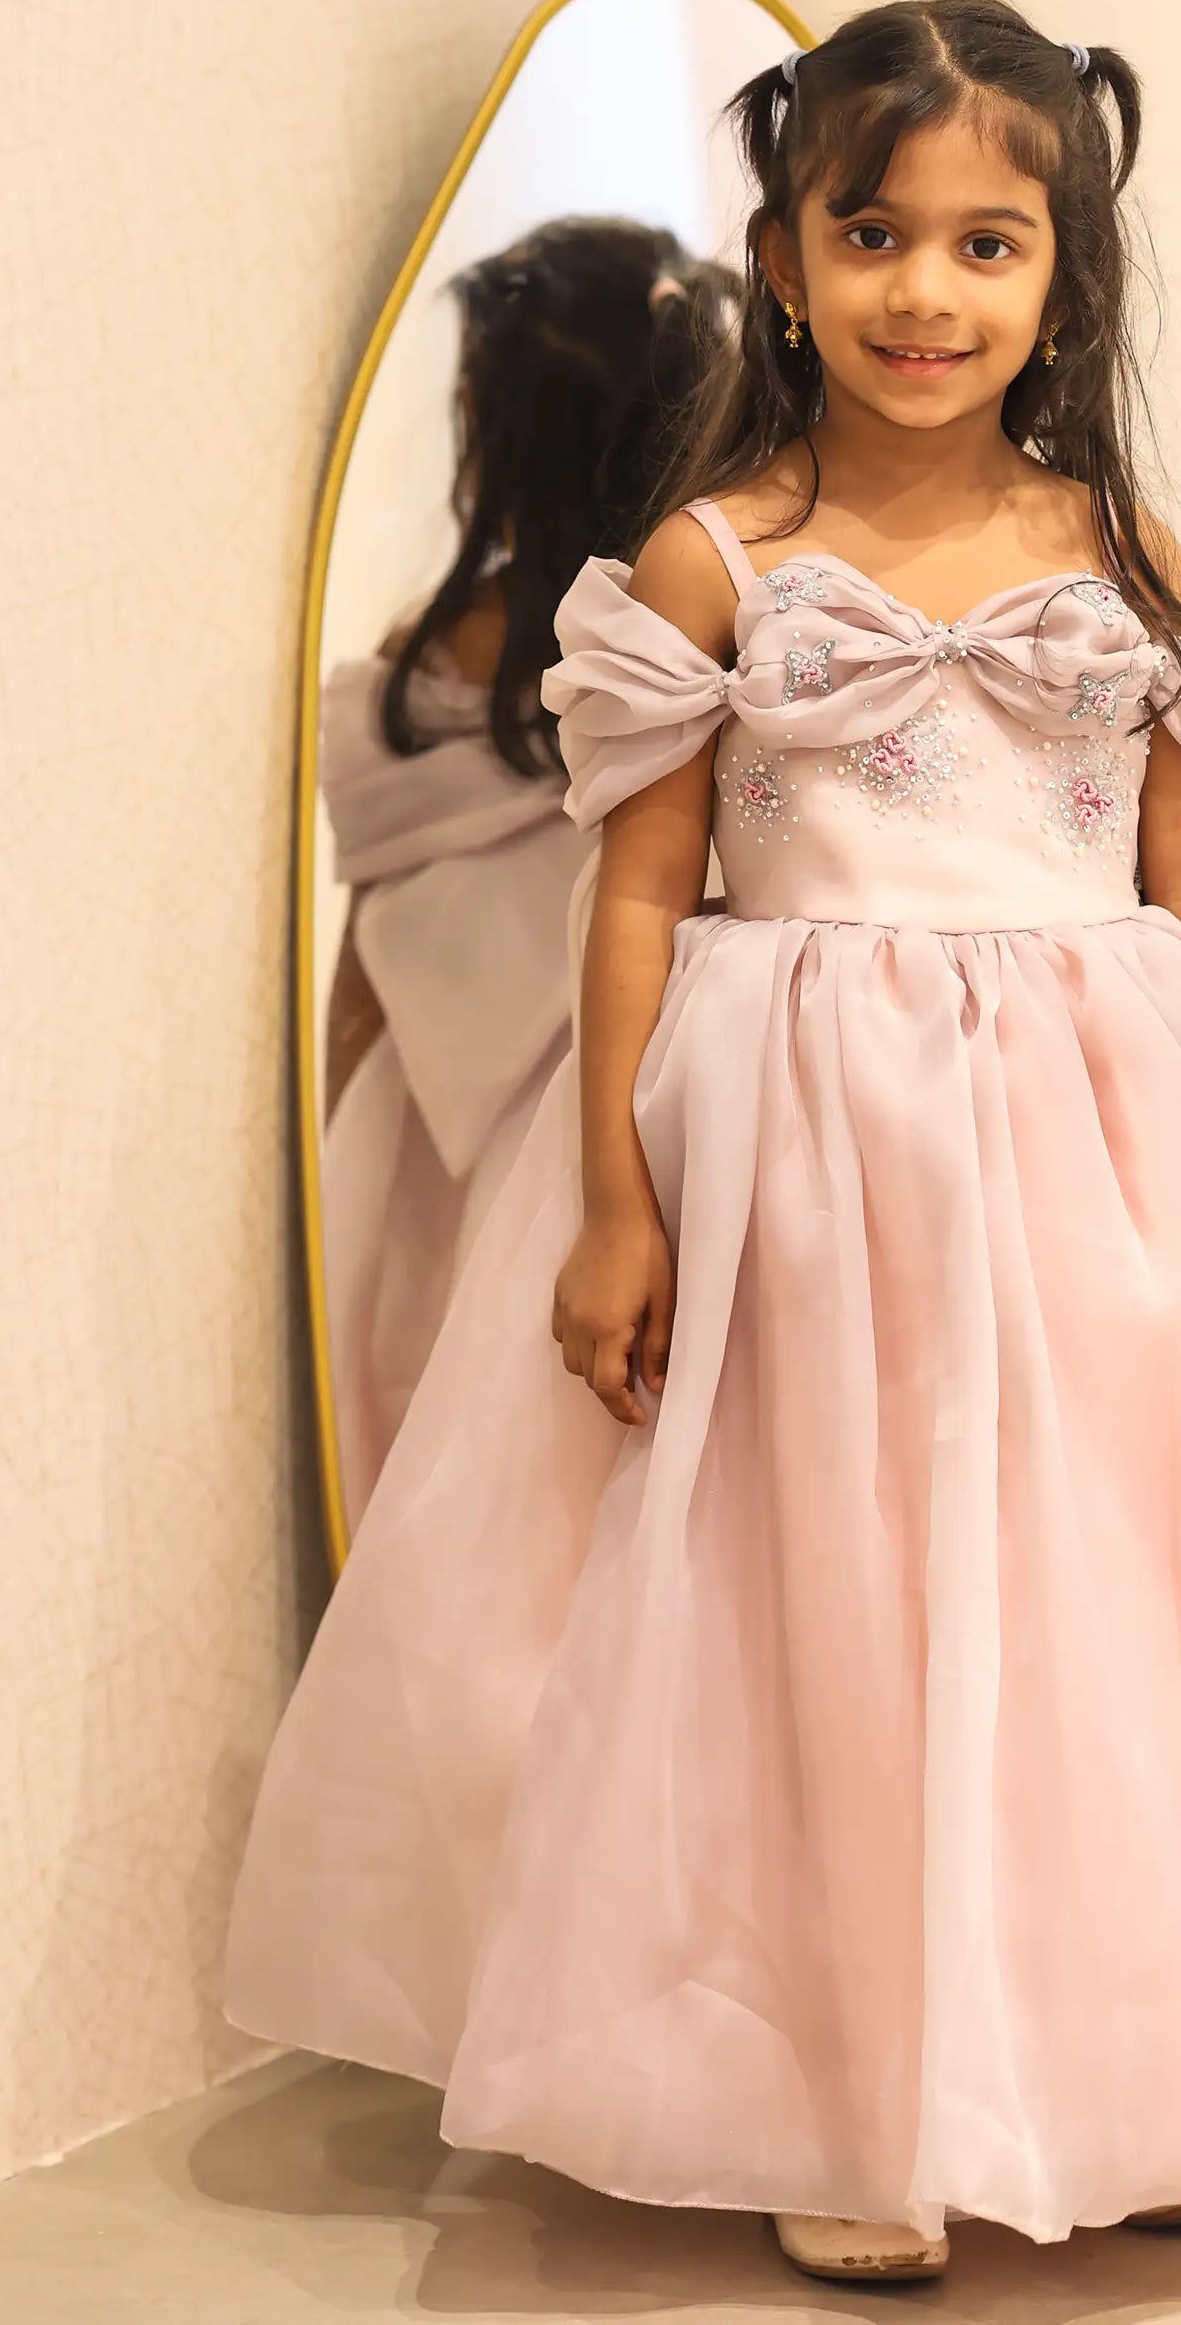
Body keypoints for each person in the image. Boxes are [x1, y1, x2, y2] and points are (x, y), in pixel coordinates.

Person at [225, 0, 1181, 2284]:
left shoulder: (1113, 543)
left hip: (1087, 1147)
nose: (921, 295)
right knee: (827, 1604)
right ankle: (846, 2089)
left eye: (984, 245)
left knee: (1105, 1602)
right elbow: (635, 891)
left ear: (1061, 275)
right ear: (781, 253)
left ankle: (1131, 2069)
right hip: (806, 1155)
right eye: (870, 234)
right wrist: (617, 1203)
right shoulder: (724, 551)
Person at [319, 217, 732, 1531]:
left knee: (440, 1451)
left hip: (423, 1131)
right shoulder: (709, 640)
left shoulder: (430, 659)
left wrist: (325, 1103)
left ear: (499, 434)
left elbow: (363, 974)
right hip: (649, 1120)